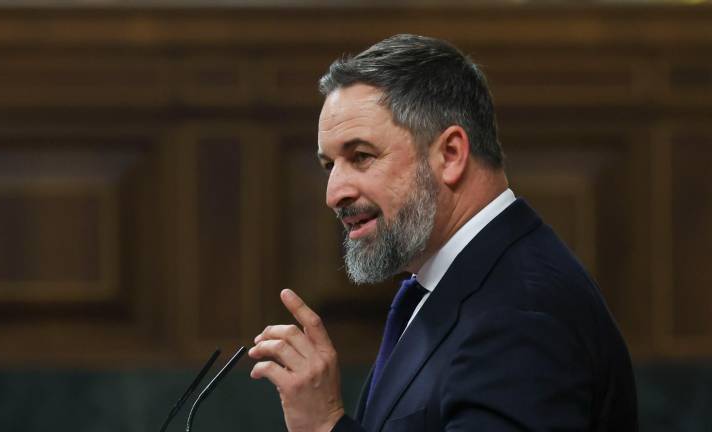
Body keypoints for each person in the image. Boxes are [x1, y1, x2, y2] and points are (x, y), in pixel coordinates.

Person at [247, 34, 637, 432]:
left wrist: (325, 427)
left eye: (361, 156)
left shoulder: (520, 314)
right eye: (330, 165)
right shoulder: (461, 283)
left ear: (450, 154)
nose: (334, 194)